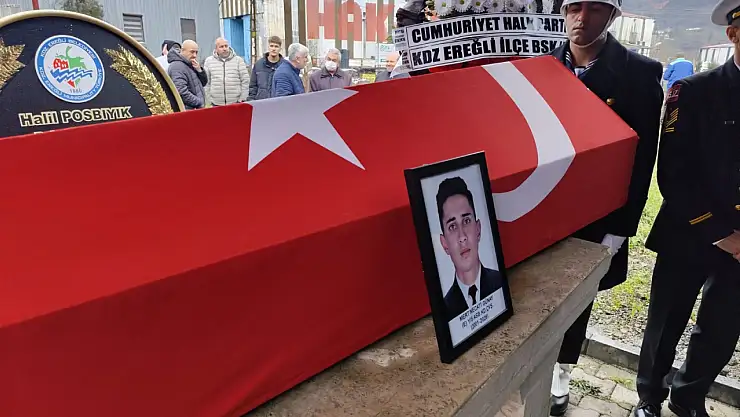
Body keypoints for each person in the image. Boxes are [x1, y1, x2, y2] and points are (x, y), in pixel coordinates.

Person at [547, 1, 664, 415]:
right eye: (574, 8)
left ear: (613, 16)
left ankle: (562, 372)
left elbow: (642, 157)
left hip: (597, 212)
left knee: (578, 298)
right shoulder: (541, 65)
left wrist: (622, 226)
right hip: (543, 205)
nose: (582, 18)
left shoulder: (638, 73)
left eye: (595, 9)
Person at [633, 1, 740, 416]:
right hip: (690, 229)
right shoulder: (693, 91)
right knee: (666, 322)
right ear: (733, 33)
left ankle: (688, 397)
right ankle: (649, 398)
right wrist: (722, 233)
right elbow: (673, 174)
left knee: (722, 329)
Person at [436, 177, 504, 322]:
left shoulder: (500, 283)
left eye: (466, 221)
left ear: (478, 229)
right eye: (452, 226)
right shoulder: (445, 310)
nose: (462, 237)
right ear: (444, 243)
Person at [203, 37, 250, 106]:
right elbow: (206, 82)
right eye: (221, 47)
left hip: (236, 103)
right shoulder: (209, 61)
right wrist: (209, 100)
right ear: (216, 49)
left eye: (226, 46)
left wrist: (242, 99)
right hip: (216, 104)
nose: (224, 49)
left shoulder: (238, 60)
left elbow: (245, 80)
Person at [168, 40, 207, 110]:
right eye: (192, 52)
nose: (195, 55)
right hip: (187, 111)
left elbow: (203, 83)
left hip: (195, 109)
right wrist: (199, 102)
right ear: (182, 50)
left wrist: (199, 70)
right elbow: (181, 92)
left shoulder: (190, 64)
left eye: (196, 52)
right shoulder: (177, 67)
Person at [248, 35, 284, 101]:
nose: (273, 49)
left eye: (276, 46)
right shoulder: (258, 64)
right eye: (271, 46)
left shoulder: (285, 66)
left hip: (279, 102)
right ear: (268, 47)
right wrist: (251, 101)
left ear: (280, 49)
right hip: (261, 102)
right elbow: (253, 86)